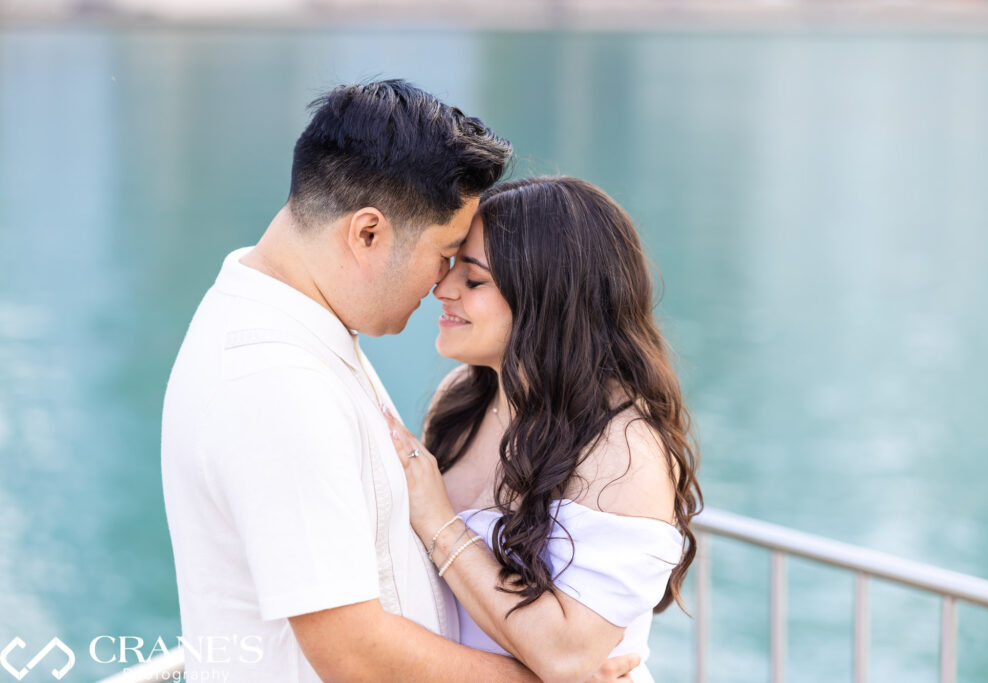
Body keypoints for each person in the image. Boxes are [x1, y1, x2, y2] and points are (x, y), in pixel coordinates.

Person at [161, 81, 641, 682]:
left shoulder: (301, 323)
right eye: (444, 253)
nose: (441, 283)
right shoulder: (275, 383)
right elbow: (353, 653)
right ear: (367, 233)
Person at [385, 176, 704, 683]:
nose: (442, 289)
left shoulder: (623, 450)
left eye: (473, 280)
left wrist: (438, 523)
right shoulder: (461, 401)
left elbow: (564, 655)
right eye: (451, 270)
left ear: (545, 299)